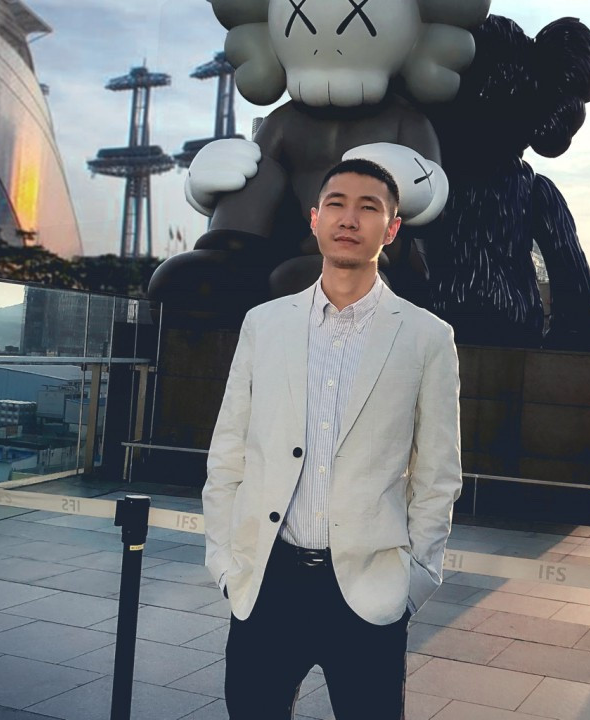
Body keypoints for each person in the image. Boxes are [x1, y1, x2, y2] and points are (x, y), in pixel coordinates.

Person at [203, 158, 462, 720]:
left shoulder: (427, 337)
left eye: (369, 207)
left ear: (391, 229)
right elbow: (229, 452)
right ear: (315, 219)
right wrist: (224, 562)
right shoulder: (264, 324)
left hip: (370, 590)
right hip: (267, 583)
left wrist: (414, 582)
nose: (350, 218)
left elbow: (438, 473)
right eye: (337, 204)